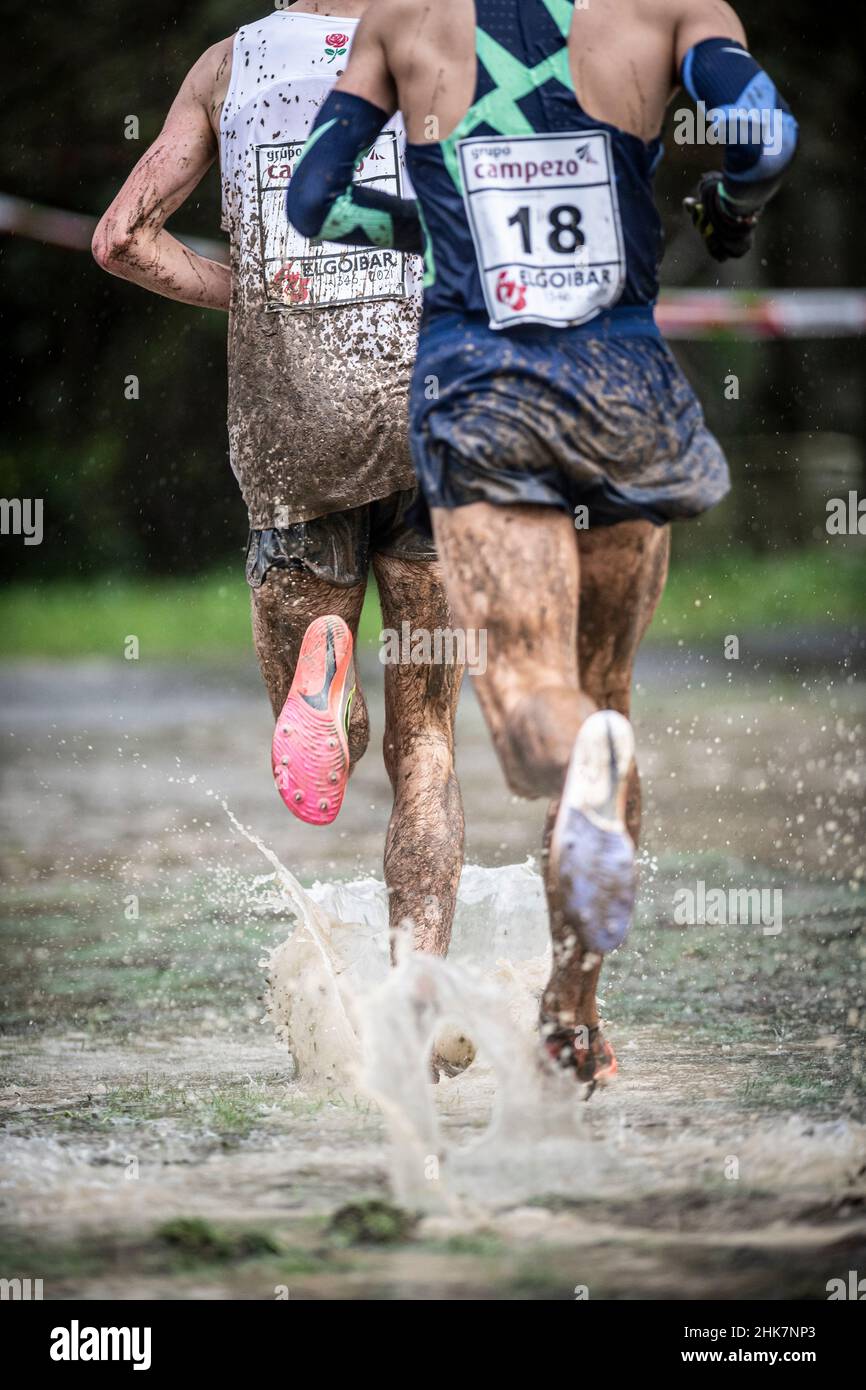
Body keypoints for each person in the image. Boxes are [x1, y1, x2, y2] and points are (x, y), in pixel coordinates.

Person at [285, 0, 797, 1088]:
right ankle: (572, 1006)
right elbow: (763, 137)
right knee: (604, 689)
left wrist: (437, 212)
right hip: (625, 387)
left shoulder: (402, 21)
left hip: (481, 390)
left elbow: (311, 198)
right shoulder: (677, 11)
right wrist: (723, 206)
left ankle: (572, 753)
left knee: (526, 710)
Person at [92, 2, 466, 993]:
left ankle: (328, 679)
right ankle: (412, 992)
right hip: (433, 430)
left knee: (327, 752)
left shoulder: (225, 65)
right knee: (424, 750)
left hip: (292, 446)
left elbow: (121, 239)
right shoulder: (451, 45)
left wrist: (250, 287)